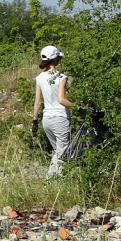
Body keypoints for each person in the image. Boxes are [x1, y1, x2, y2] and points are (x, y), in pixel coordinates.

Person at [32, 45, 73, 180]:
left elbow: (37, 102)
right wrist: (78, 107)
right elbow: (62, 100)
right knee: (63, 153)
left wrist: (34, 121)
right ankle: (51, 180)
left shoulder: (39, 78)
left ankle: (56, 179)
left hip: (46, 119)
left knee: (58, 152)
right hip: (60, 118)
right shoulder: (61, 77)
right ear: (55, 59)